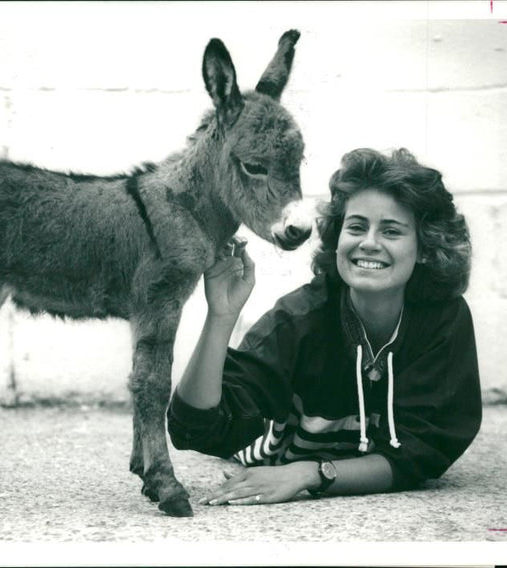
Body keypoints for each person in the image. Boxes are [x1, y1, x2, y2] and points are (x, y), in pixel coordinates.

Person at [167, 147, 481, 506]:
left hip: (307, 466)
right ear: (337, 239)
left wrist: (310, 474)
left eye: (391, 231)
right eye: (356, 226)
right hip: (274, 444)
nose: (369, 243)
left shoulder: (444, 318)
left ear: (425, 247)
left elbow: (421, 454)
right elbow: (194, 428)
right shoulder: (298, 318)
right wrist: (220, 317)